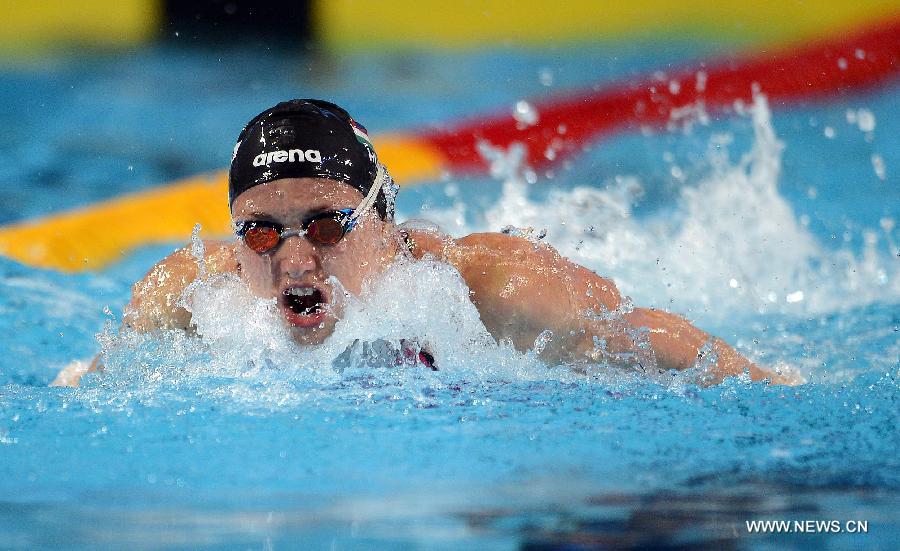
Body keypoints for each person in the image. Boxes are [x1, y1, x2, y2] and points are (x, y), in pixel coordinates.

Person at [53, 99, 798, 387]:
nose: (294, 259)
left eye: (323, 222)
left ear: (383, 220)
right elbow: (89, 385)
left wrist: (781, 391)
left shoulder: (495, 291)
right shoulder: (181, 299)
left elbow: (677, 349)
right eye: (260, 230)